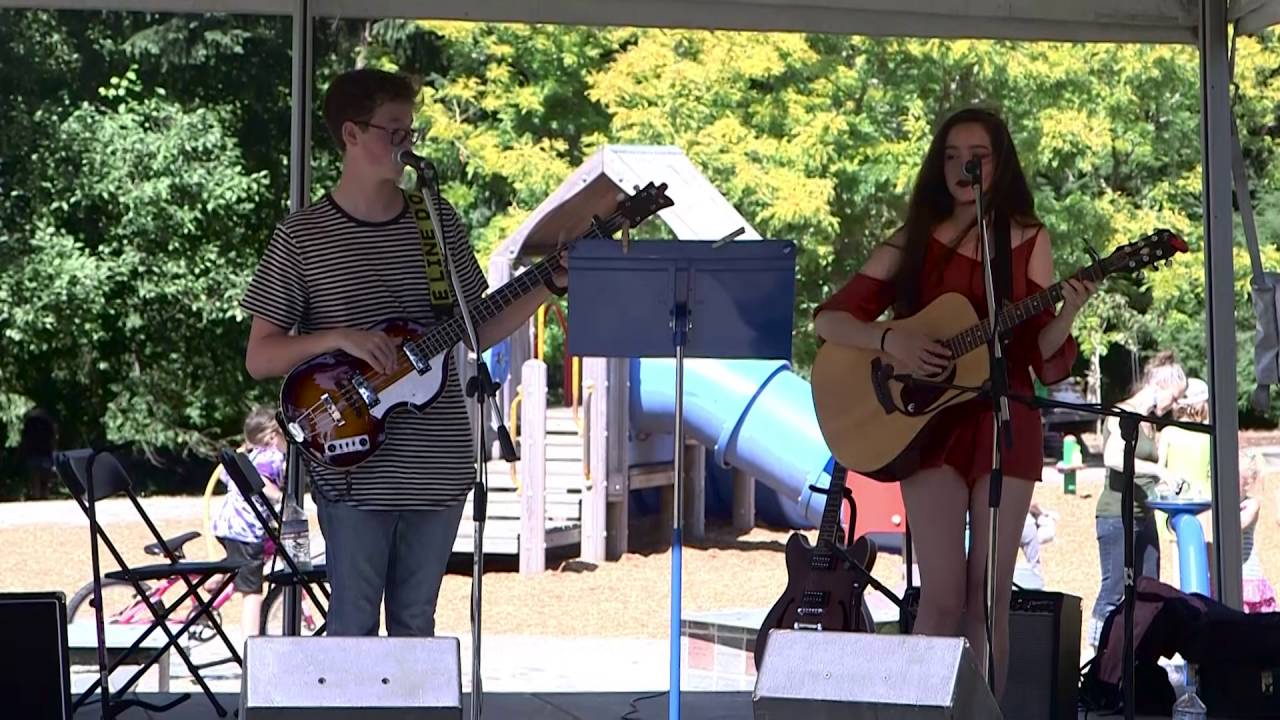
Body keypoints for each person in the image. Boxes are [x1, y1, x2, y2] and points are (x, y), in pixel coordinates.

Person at [240, 68, 567, 637]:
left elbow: (477, 328)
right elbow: (261, 356)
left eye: (410, 131)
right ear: (351, 134)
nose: (407, 144)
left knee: (416, 624)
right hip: (352, 467)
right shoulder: (302, 236)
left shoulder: (435, 222)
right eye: (394, 131)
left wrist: (548, 281)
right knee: (354, 624)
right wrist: (338, 337)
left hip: (437, 466)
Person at [813, 107, 1095, 699]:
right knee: (941, 596)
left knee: (988, 598)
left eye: (978, 155)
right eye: (951, 155)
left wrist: (1068, 309)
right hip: (927, 426)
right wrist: (892, 338)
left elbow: (1039, 353)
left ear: (1000, 163)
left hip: (1004, 420)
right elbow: (831, 320)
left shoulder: (1028, 236)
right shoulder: (912, 240)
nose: (963, 167)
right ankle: (921, 712)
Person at [1087, 351, 1187, 653]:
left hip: (1145, 515)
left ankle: (1138, 659)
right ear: (1160, 384)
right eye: (1175, 396)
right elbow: (1113, 457)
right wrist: (1160, 470)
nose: (1176, 405)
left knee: (1149, 588)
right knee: (1115, 589)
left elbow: (1144, 471)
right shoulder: (1122, 412)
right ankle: (1098, 657)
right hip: (1117, 515)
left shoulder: (1149, 422)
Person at [212, 405, 286, 638]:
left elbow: (225, 475)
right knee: (252, 594)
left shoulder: (247, 455)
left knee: (239, 562)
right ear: (273, 436)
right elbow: (264, 481)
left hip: (226, 525)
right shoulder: (272, 457)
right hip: (247, 530)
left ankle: (215, 580)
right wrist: (282, 499)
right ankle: (251, 646)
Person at [1239, 450, 1277, 614]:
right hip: (1234, 572)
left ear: (1246, 484)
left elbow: (1237, 525)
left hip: (1248, 573)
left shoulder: (1252, 504)